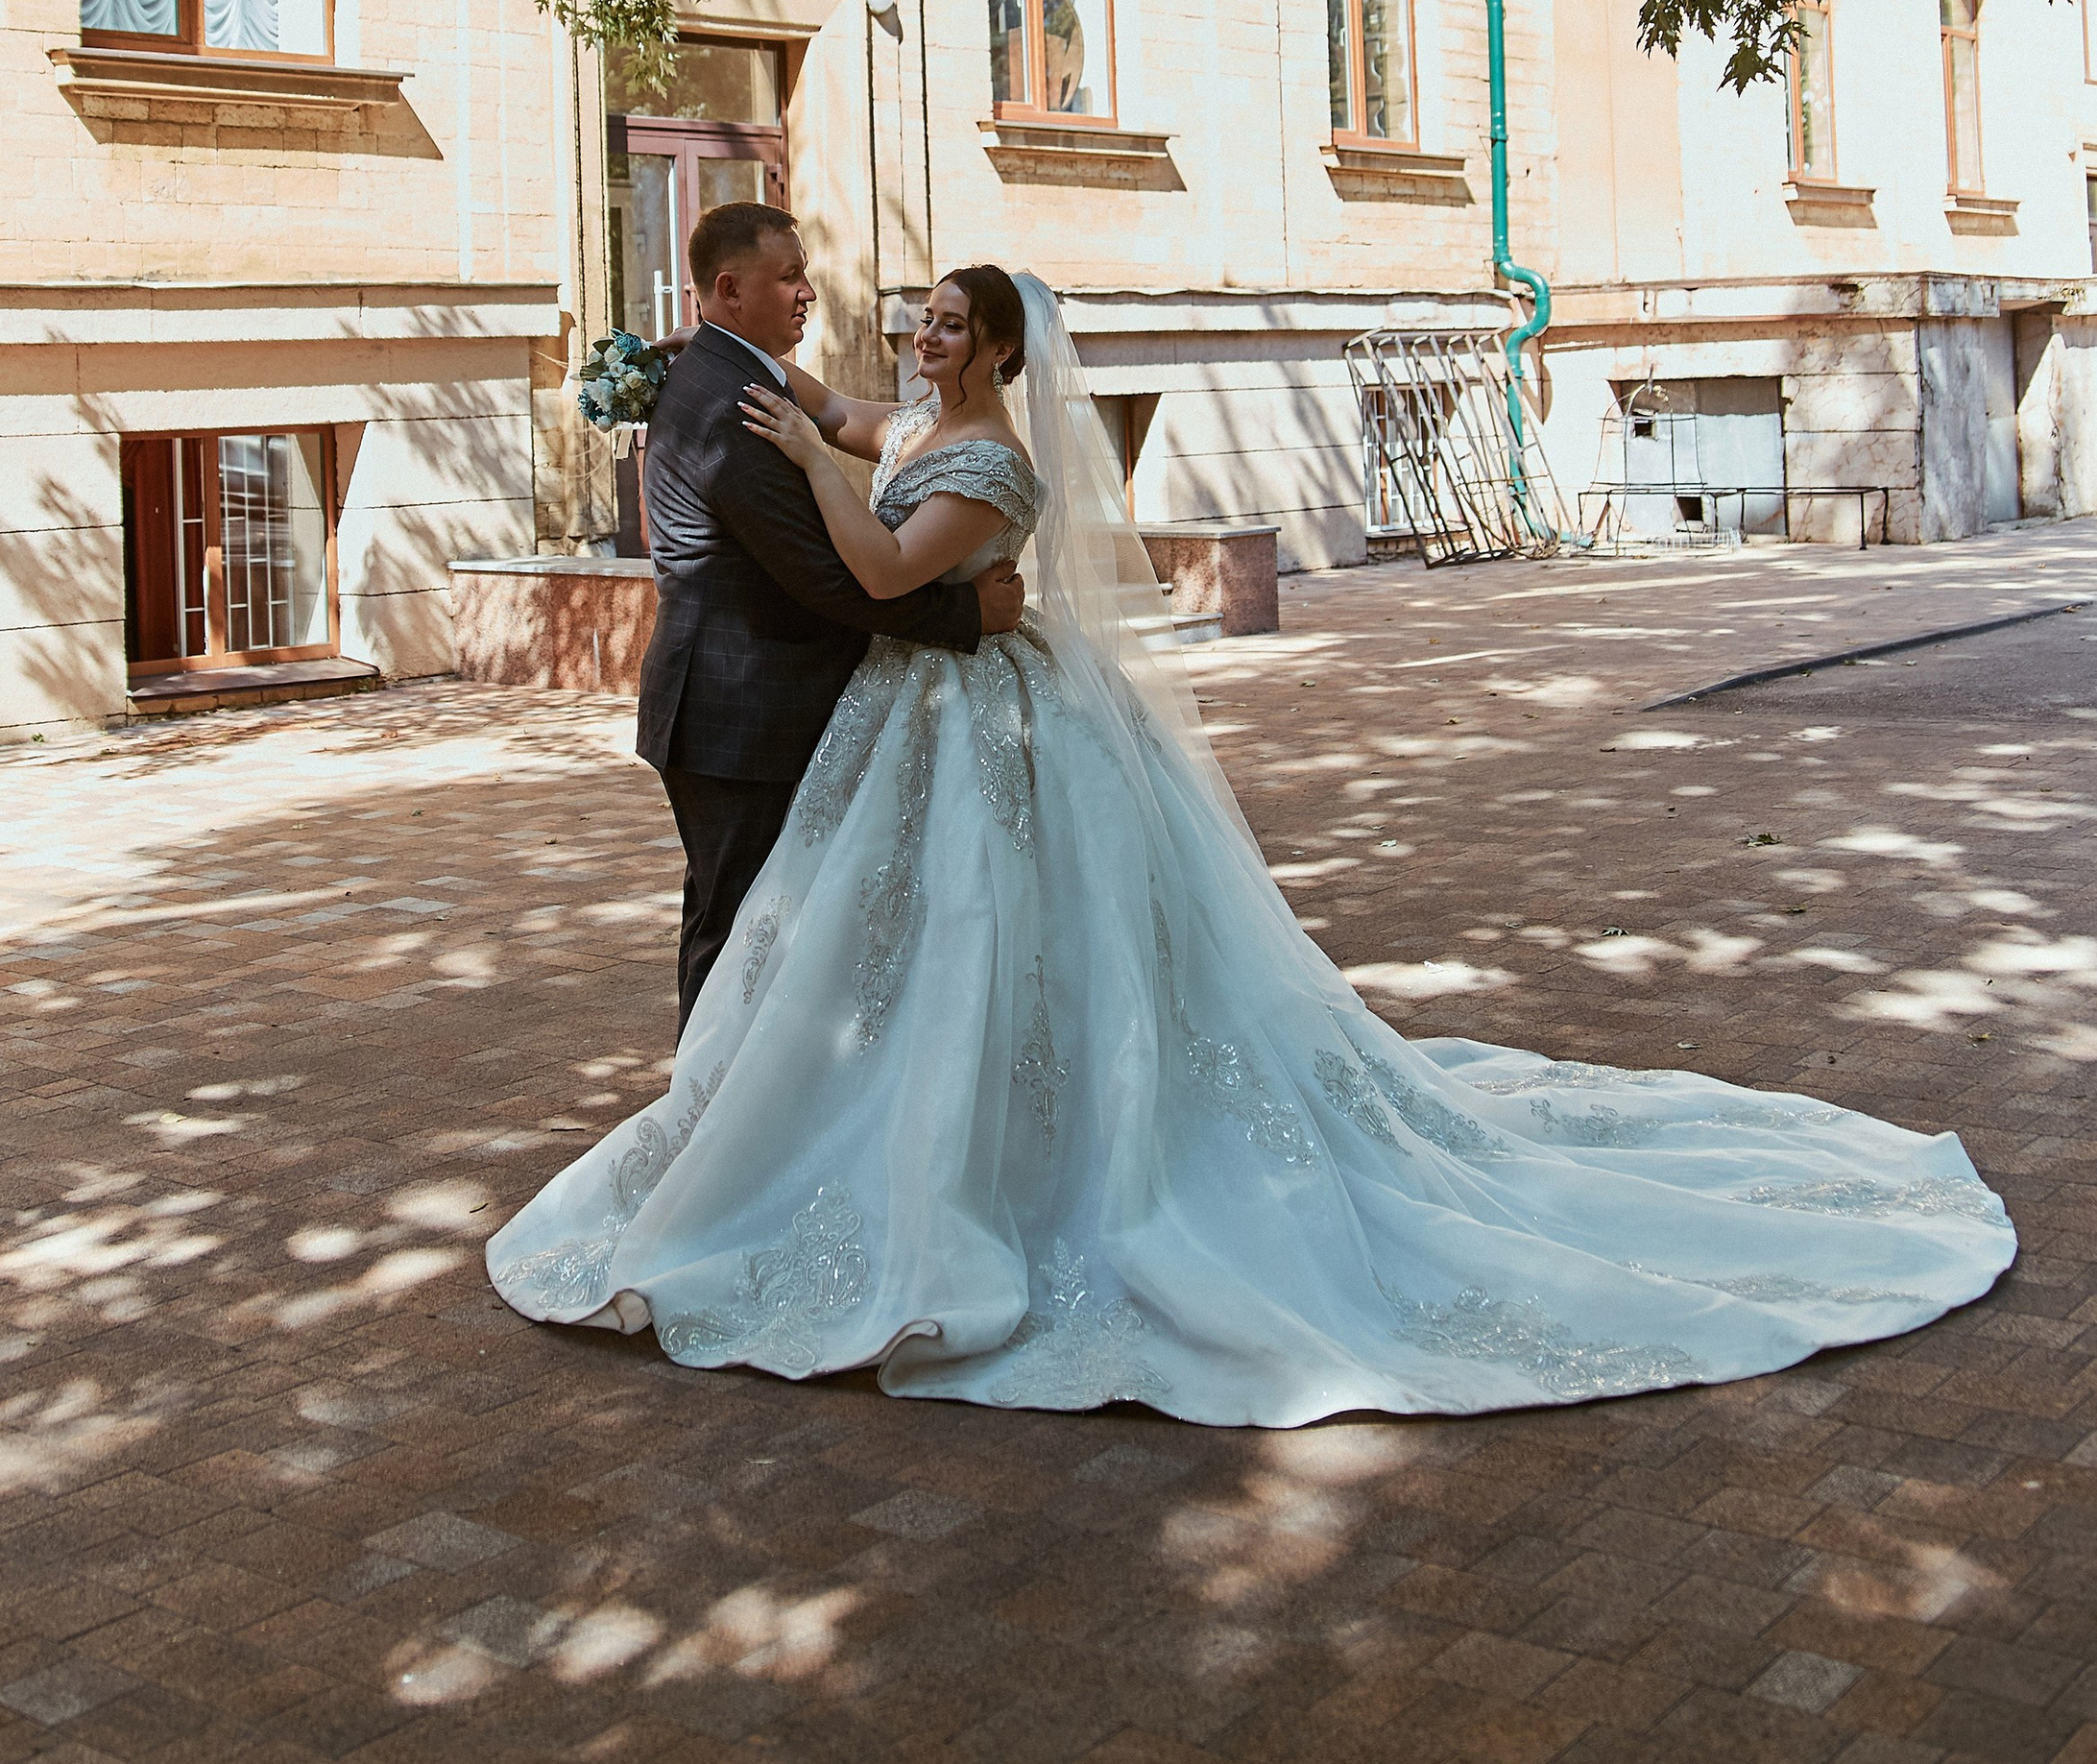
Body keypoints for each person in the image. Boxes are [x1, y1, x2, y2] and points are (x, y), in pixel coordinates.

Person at [491, 268, 2015, 1426]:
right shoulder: (906, 422)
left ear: (1007, 350)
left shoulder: (993, 468)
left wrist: (822, 466)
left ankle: (1017, 1179)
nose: (923, 335)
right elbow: (841, 417)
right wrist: (743, 382)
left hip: (987, 726)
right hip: (910, 730)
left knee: (997, 936)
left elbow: (889, 565)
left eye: (951, 322)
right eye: (920, 316)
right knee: (876, 947)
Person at [632, 202, 1024, 1028]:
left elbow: (835, 414)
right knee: (743, 926)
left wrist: (693, 344)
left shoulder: (732, 377)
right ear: (731, 291)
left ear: (1000, 350)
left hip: (745, 706)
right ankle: (715, 1115)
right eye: (790, 277)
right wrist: (966, 615)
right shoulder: (735, 408)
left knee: (754, 920)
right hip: (738, 715)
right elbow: (832, 574)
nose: (810, 292)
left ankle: (725, 1109)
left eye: (952, 325)